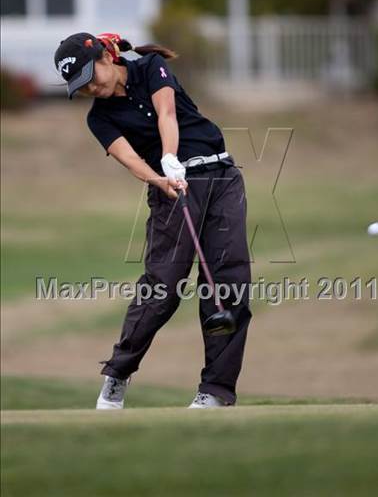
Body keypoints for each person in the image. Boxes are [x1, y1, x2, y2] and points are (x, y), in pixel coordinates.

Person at [53, 32, 252, 409]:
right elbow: (130, 159)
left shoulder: (151, 68)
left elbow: (167, 113)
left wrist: (171, 156)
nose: (91, 88)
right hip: (170, 192)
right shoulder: (99, 119)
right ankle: (118, 373)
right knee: (162, 288)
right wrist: (161, 178)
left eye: (90, 77)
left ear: (106, 57)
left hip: (221, 178)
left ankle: (216, 390)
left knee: (230, 283)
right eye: (80, 86)